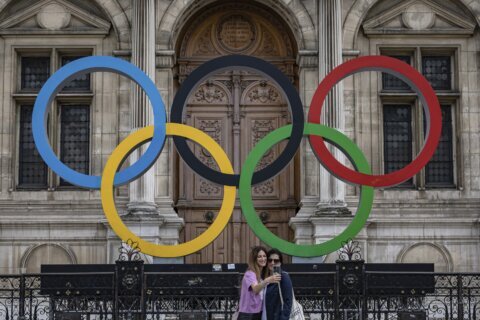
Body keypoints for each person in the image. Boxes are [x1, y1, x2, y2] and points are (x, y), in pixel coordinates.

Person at [238, 246, 281, 320]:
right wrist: (267, 280)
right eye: (259, 257)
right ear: (254, 259)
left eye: (264, 256)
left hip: (258, 313)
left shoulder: (262, 275)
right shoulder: (250, 273)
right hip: (248, 315)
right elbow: (255, 289)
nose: (263, 259)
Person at [263, 248, 293, 320]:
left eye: (276, 261)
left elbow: (288, 302)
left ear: (280, 263)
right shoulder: (264, 277)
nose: (272, 263)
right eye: (270, 260)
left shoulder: (283, 276)